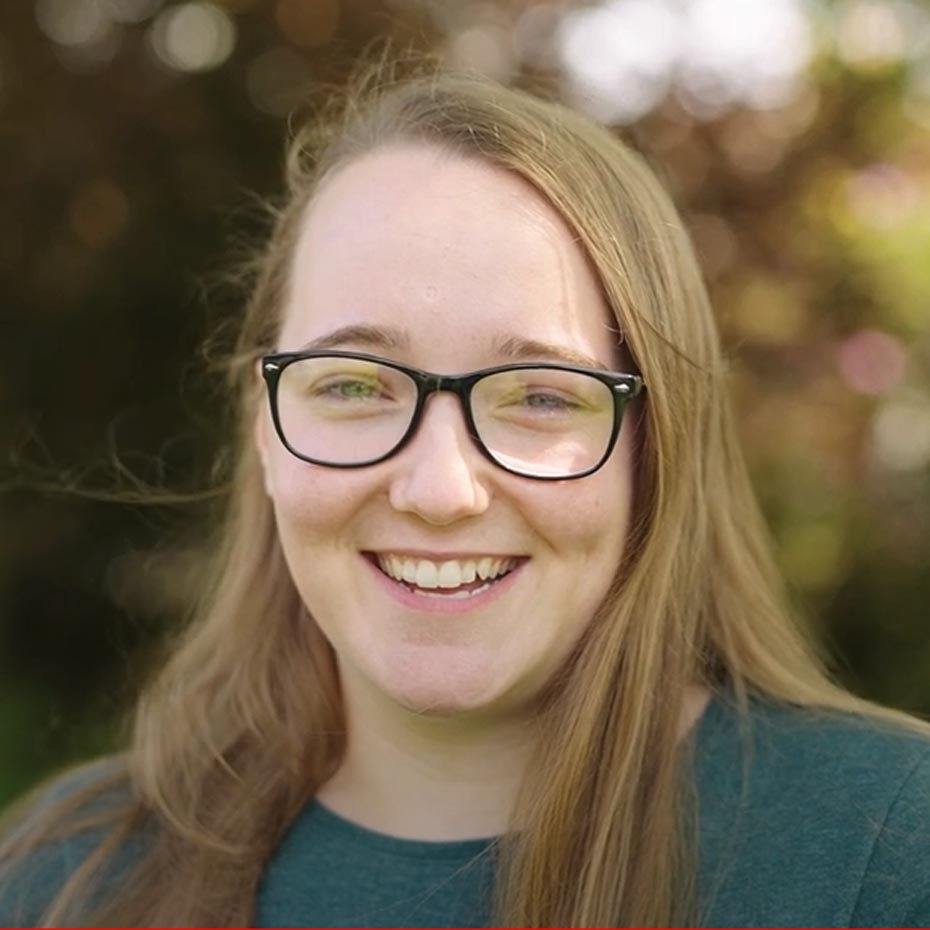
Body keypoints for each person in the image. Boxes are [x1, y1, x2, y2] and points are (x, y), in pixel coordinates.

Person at [2, 60, 930, 928]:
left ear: (656, 444)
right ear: (264, 421)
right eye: (357, 384)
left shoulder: (886, 853)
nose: (440, 490)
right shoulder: (67, 877)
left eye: (538, 396)